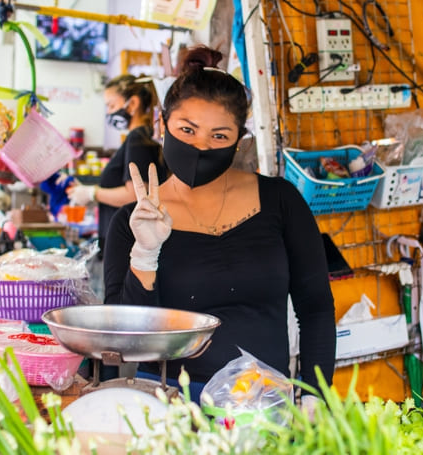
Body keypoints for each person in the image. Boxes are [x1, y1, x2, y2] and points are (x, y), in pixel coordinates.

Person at [104, 46, 336, 406]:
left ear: (238, 140)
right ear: (160, 124)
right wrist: (146, 252)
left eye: (219, 136)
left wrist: (315, 396)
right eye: (187, 129)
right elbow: (124, 341)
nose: (200, 146)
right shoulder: (131, 224)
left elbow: (316, 307)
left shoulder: (280, 200)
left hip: (264, 410)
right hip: (169, 410)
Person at [68, 75, 168, 252]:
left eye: (112, 105)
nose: (109, 112)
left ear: (133, 104)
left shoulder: (138, 137)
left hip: (128, 242)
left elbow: (135, 195)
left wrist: (93, 193)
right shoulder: (141, 136)